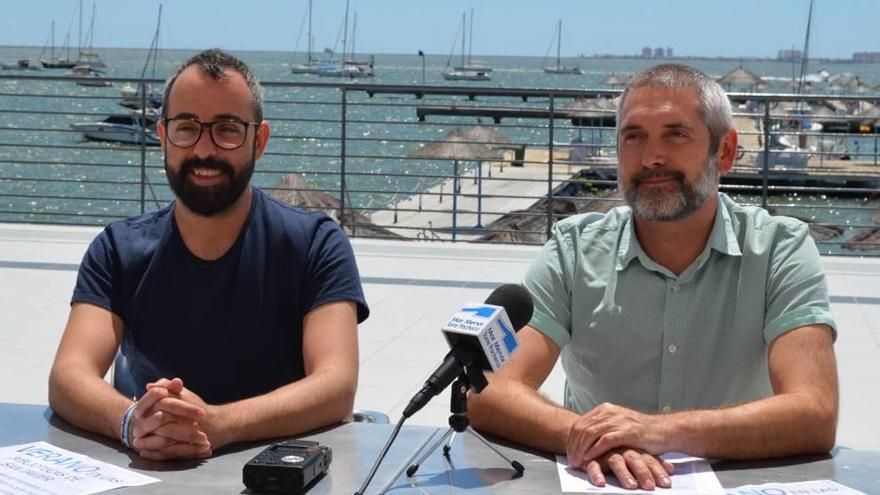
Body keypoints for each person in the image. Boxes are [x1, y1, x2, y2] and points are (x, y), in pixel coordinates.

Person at [469, 64, 838, 490]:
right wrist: (588, 437)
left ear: (726, 152)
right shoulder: (574, 249)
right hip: (604, 481)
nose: (651, 158)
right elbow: (489, 390)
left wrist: (656, 431)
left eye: (675, 134)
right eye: (634, 136)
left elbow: (815, 411)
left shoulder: (779, 249)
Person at [49, 49, 369, 461]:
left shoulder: (315, 244)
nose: (204, 149)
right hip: (158, 473)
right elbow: (68, 375)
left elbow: (336, 385)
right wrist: (132, 421)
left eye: (227, 129)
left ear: (260, 140)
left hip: (278, 471)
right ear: (163, 136)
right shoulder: (117, 250)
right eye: (187, 128)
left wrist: (220, 424)